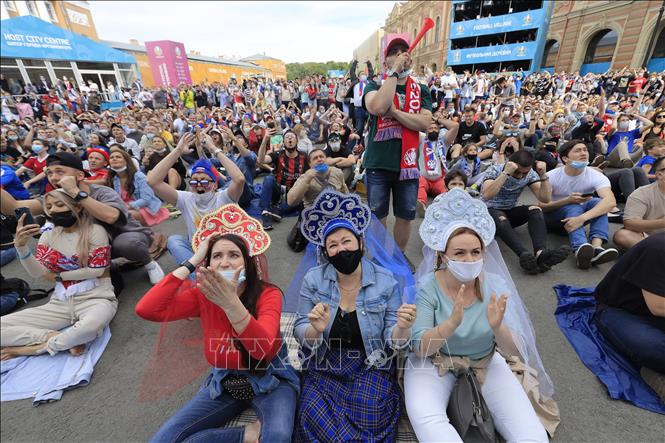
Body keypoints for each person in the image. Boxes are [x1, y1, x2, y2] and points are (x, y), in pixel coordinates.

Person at [136, 205, 298, 442]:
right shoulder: (202, 294)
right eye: (216, 256)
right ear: (208, 263)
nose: (224, 263)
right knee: (162, 440)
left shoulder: (267, 294)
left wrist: (231, 303)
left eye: (234, 255)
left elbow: (262, 349)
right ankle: (245, 434)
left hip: (272, 378)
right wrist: (192, 261)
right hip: (226, 382)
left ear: (249, 263)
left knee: (278, 436)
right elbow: (147, 309)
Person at [406, 188, 550, 442]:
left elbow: (516, 351)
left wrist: (498, 328)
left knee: (533, 436)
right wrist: (450, 324)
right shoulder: (428, 286)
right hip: (434, 362)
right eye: (459, 253)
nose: (469, 259)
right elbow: (420, 348)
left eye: (476, 252)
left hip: (486, 360)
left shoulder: (495, 286)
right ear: (443, 255)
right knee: (428, 421)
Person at [294, 191, 416, 442]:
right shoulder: (314, 280)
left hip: (371, 361)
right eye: (333, 245)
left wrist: (402, 328)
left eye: (346, 241)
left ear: (360, 242)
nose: (341, 249)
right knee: (311, 415)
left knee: (369, 410)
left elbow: (394, 342)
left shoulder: (385, 281)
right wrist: (315, 329)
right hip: (325, 361)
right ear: (325, 252)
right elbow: (300, 329)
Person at [0, 152, 165, 284]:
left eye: (60, 171)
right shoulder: (56, 197)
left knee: (128, 244)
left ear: (79, 175)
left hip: (123, 237)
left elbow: (112, 217)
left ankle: (149, 263)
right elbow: (14, 207)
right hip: (92, 245)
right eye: (49, 173)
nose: (53, 177)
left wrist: (77, 194)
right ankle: (107, 265)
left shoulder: (101, 191)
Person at [1, 190, 116, 360]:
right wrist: (21, 247)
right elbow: (37, 272)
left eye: (60, 204)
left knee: (90, 327)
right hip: (60, 304)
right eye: (49, 207)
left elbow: (97, 270)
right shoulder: (48, 235)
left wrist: (58, 276)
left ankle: (35, 348)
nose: (54, 210)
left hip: (96, 298)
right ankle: (51, 337)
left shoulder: (95, 231)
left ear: (76, 207)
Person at [362, 35, 432, 251]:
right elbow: (378, 107)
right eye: (395, 52)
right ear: (385, 62)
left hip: (408, 166)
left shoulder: (421, 89)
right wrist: (393, 73)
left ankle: (398, 257)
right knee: (378, 216)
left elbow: (424, 123)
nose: (401, 54)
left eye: (404, 50)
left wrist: (396, 113)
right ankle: (380, 259)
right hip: (378, 163)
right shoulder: (374, 84)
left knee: (405, 216)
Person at [147, 133, 244, 267]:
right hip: (198, 253)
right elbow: (153, 181)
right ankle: (198, 276)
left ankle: (203, 275)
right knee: (174, 241)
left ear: (215, 185)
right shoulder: (186, 198)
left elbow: (239, 179)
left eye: (204, 181)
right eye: (194, 182)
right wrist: (177, 150)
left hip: (225, 250)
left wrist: (214, 149)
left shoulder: (224, 197)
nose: (198, 185)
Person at [594, 232, 665, 400]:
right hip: (620, 311)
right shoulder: (658, 248)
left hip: (655, 315)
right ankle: (653, 372)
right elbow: (657, 306)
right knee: (654, 347)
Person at [482, 151, 570, 274]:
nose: (519, 176)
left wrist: (543, 175)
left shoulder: (530, 174)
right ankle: (523, 254)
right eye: (517, 172)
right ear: (509, 164)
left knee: (535, 209)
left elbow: (545, 199)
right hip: (488, 213)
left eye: (524, 173)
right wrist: (506, 173)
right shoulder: (495, 170)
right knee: (500, 217)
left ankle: (541, 253)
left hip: (509, 212)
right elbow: (487, 195)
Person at [541, 140, 619, 269]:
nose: (583, 153)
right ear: (565, 158)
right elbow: (541, 205)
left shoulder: (595, 175)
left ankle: (596, 247)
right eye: (577, 151)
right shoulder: (551, 176)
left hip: (577, 218)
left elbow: (610, 202)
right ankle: (579, 249)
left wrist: (581, 219)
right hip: (551, 219)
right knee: (574, 205)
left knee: (599, 203)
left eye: (585, 150)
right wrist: (567, 200)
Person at [256, 129, 308, 230]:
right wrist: (265, 140)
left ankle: (277, 210)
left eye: (292, 137)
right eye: (287, 137)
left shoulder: (304, 156)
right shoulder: (278, 154)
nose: (289, 139)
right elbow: (261, 160)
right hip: (278, 191)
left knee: (304, 197)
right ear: (283, 142)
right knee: (268, 178)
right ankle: (265, 212)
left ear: (296, 141)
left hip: (294, 194)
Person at [106, 146, 169, 227]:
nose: (114, 159)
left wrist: (126, 208)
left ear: (127, 161)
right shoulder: (113, 179)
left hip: (144, 208)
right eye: (111, 158)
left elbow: (146, 199)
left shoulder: (139, 176)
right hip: (124, 208)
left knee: (127, 216)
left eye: (118, 157)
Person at [613, 156, 665, 249]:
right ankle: (656, 251)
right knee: (622, 235)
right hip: (649, 237)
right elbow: (630, 224)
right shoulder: (642, 193)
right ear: (660, 174)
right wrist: (662, 223)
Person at [417, 118, 459, 216]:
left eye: (436, 128)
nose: (433, 130)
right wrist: (424, 121)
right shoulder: (421, 138)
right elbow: (412, 127)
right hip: (424, 178)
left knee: (446, 189)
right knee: (420, 185)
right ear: (426, 130)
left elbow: (455, 126)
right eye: (430, 128)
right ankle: (421, 205)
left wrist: (439, 119)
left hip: (439, 179)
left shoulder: (444, 141)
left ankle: (442, 206)